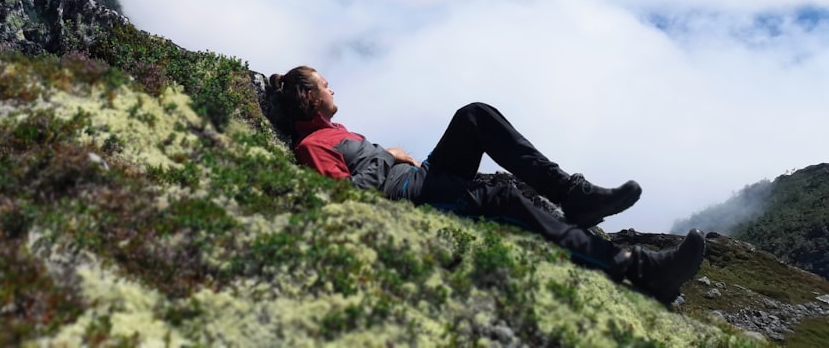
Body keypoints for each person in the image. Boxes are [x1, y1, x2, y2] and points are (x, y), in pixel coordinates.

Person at [268, 65, 706, 305]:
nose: (331, 86)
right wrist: (388, 156)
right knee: (502, 198)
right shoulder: (312, 146)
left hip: (424, 180)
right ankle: (644, 270)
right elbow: (352, 203)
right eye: (324, 84)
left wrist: (393, 159)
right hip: (415, 199)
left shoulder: (336, 129)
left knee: (474, 115)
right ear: (310, 97)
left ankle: (574, 195)